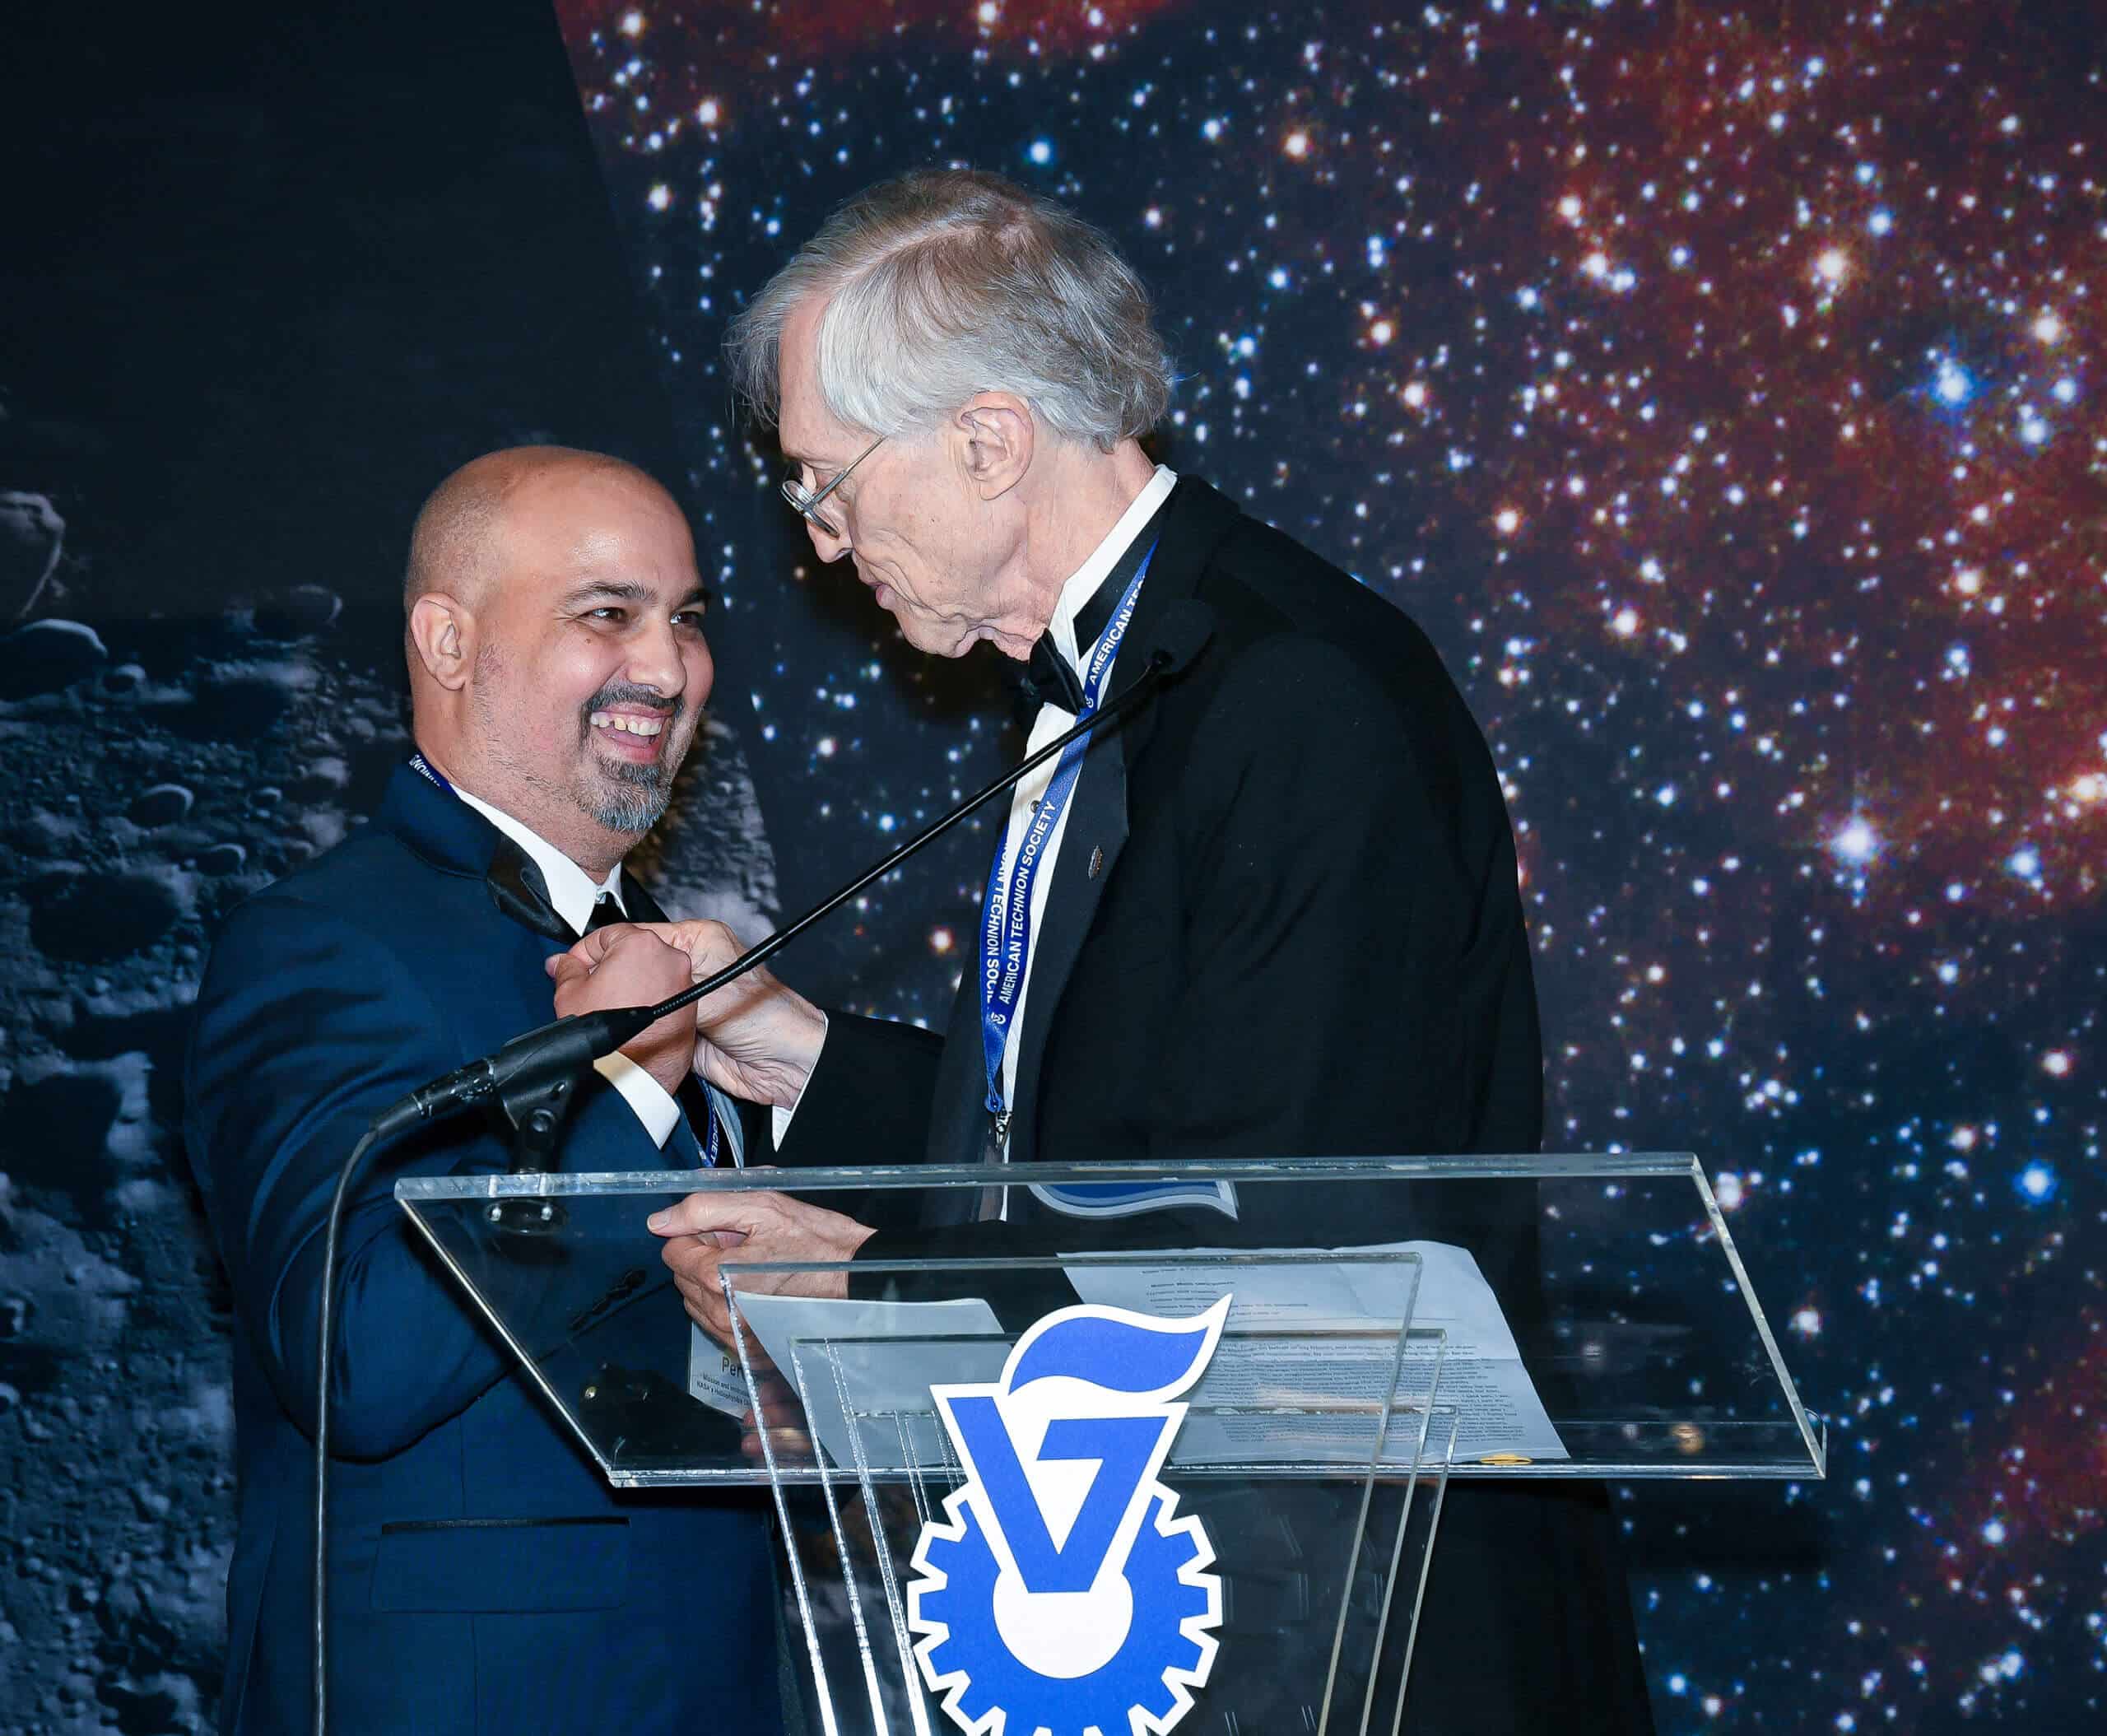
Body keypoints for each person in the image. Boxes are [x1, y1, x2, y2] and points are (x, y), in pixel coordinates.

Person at [584, 170, 1656, 1734]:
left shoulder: (1291, 693)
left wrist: (871, 1286)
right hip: (1184, 1600)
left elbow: (1270, 1225)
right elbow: (1116, 1136)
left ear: (989, 440)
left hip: (1357, 1626)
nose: (818, 547)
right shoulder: (1109, 682)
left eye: (824, 486)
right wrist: (799, 1048)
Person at [183, 447, 784, 1734]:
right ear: (448, 642)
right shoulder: (321, 942)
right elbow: (349, 1356)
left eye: (685, 619)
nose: (670, 668)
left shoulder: (691, 965)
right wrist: (617, 1098)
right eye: (607, 614)